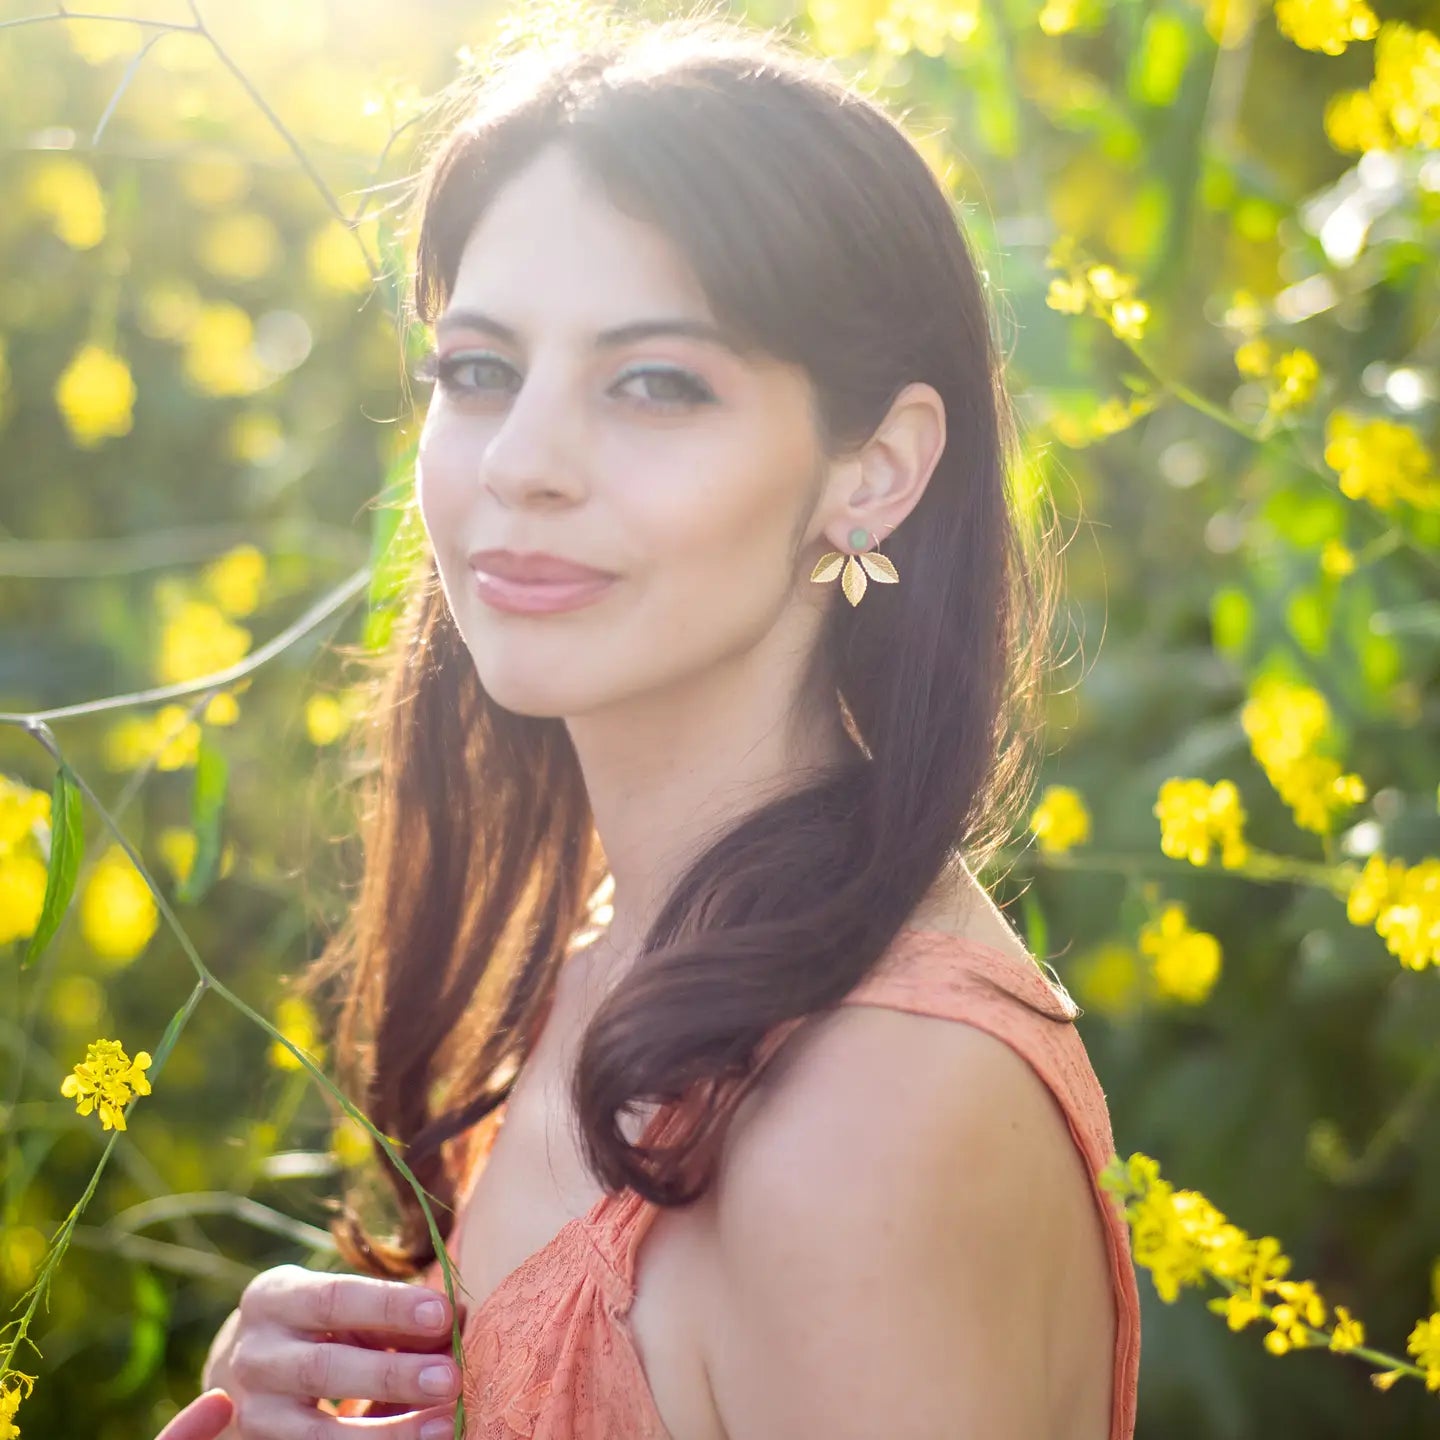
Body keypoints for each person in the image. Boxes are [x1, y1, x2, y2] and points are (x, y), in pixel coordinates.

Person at [184, 7, 1141, 1438]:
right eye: (479, 370)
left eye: (653, 384)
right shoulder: (600, 950)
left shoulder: (875, 1115)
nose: (522, 464)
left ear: (871, 471)